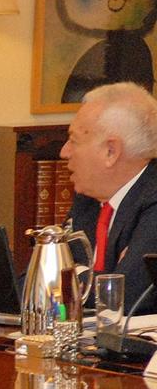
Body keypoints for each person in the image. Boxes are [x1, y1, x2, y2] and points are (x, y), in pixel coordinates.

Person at [63, 81, 157, 313]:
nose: (64, 152)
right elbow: (34, 278)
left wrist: (75, 272)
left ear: (111, 151)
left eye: (73, 140)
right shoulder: (88, 198)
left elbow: (126, 296)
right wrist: (99, 277)